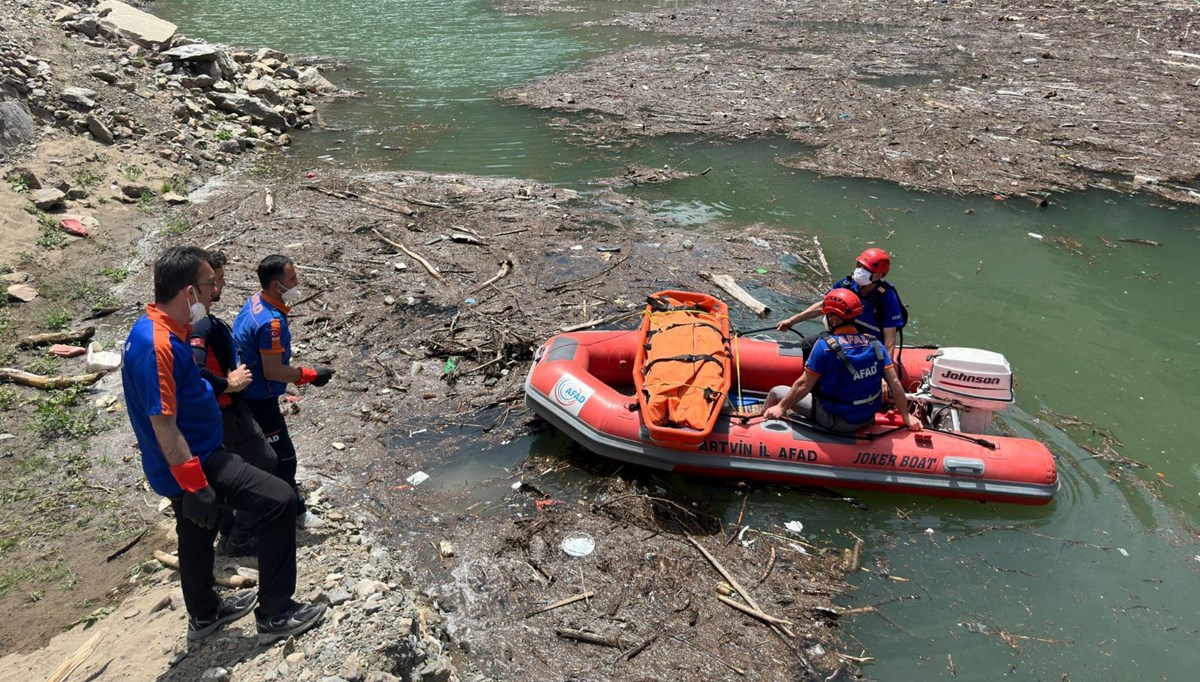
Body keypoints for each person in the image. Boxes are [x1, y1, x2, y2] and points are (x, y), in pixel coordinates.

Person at [121, 245, 325, 644]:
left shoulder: (160, 330)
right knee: (279, 499)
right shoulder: (157, 344)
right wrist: (196, 484)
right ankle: (276, 613)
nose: (215, 289)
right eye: (209, 284)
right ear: (188, 293)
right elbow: (163, 424)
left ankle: (205, 613)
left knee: (197, 529)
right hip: (194, 460)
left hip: (191, 457)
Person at [233, 254, 335, 529]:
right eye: (292, 278)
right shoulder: (271, 323)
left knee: (259, 454)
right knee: (284, 459)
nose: (297, 282)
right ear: (276, 285)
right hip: (259, 396)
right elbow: (273, 370)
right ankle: (293, 512)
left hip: (245, 391)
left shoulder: (254, 302)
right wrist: (309, 375)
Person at [189, 250, 278, 557]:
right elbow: (196, 369)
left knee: (227, 468)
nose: (221, 286)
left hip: (220, 409)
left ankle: (229, 528)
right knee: (265, 464)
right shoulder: (200, 327)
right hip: (226, 410)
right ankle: (242, 534)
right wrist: (230, 383)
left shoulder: (199, 322)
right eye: (217, 280)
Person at [763, 288, 921, 434]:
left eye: (827, 315)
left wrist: (781, 407)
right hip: (867, 417)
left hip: (837, 420)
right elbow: (894, 382)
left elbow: (804, 384)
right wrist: (906, 417)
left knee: (777, 392)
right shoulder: (875, 344)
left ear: (833, 319)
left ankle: (763, 429)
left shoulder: (824, 346)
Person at [776, 247, 907, 355]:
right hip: (842, 335)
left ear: (880, 274)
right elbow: (823, 305)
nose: (861, 271)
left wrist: (885, 373)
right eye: (859, 266)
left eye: (867, 269)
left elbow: (889, 341)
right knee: (808, 344)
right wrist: (792, 321)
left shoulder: (887, 296)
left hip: (868, 344)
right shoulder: (847, 284)